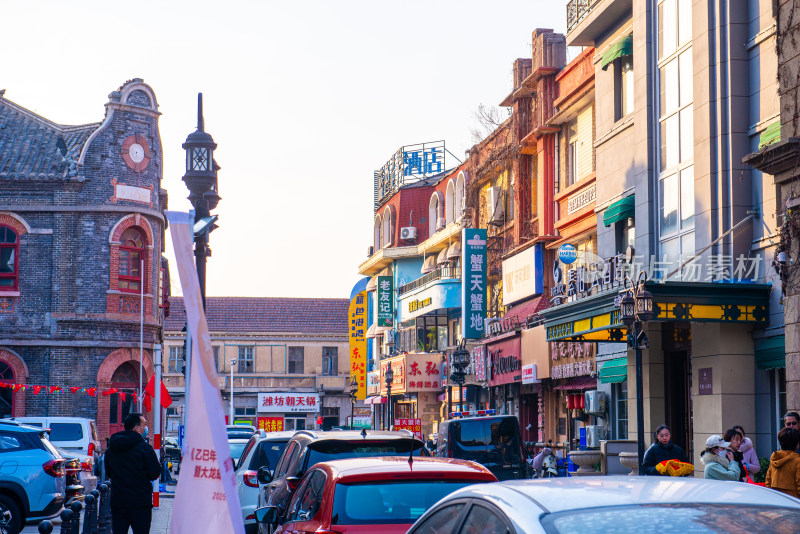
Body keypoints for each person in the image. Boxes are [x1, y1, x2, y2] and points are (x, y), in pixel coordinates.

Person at [104, 413, 162, 534]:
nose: (146, 428)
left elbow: (108, 472)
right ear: (136, 428)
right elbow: (154, 473)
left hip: (118, 500)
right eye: (144, 425)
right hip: (140, 501)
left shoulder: (112, 448)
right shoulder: (145, 448)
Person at [765, 427, 800, 498]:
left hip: (776, 499)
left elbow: (768, 481)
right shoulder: (797, 460)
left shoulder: (775, 458)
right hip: (793, 500)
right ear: (796, 443)